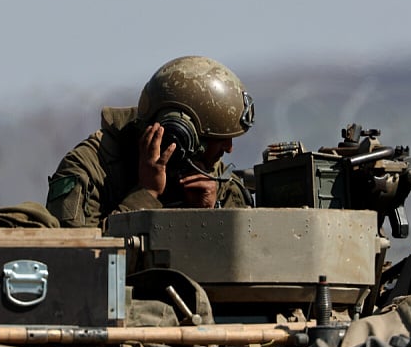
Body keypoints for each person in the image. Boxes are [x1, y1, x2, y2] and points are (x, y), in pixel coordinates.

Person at [46, 56, 255, 228]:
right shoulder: (89, 169)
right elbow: (78, 260)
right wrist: (146, 194)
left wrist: (210, 213)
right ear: (180, 135)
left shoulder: (213, 179)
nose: (229, 148)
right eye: (218, 140)